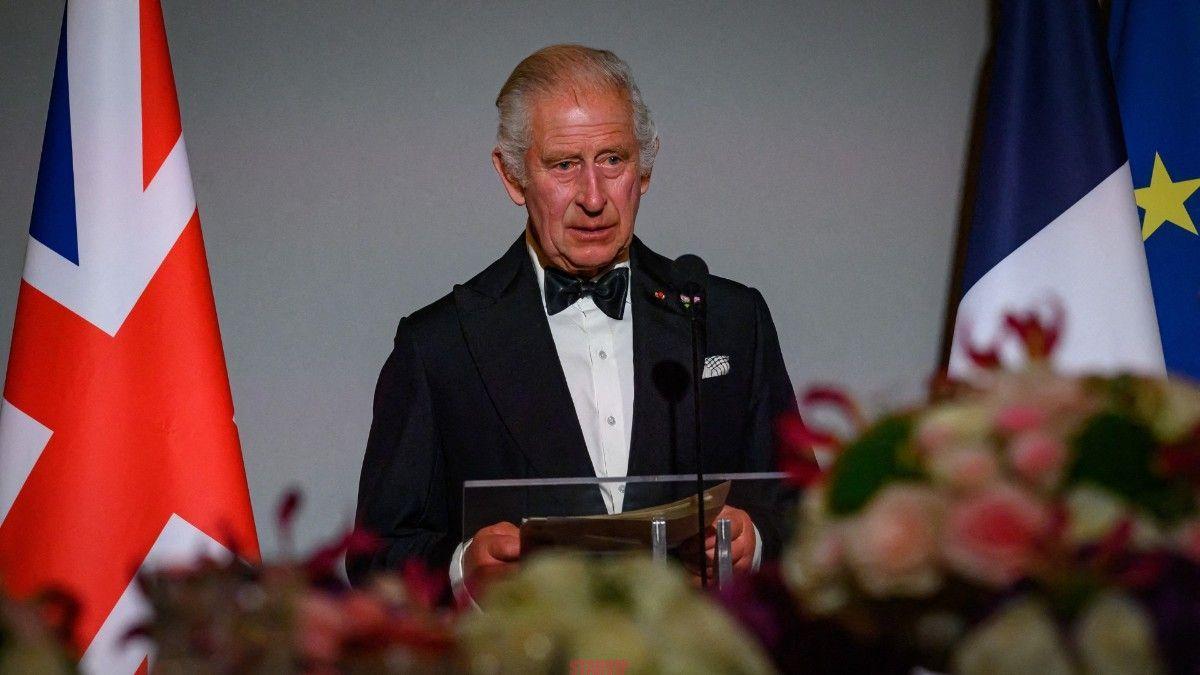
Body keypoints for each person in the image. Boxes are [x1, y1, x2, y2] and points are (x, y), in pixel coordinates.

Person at [348, 45, 803, 600]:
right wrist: (463, 569)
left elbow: (806, 514)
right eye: (564, 165)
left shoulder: (729, 320)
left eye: (613, 160)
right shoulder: (440, 346)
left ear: (646, 169)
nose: (593, 197)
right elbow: (376, 558)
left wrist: (754, 542)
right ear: (513, 178)